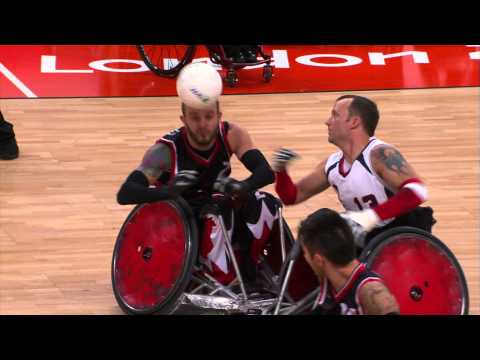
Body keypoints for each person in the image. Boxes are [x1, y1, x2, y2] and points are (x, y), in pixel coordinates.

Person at [116, 100, 279, 287]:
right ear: (183, 120)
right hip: (181, 223)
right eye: (194, 118)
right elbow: (126, 193)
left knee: (265, 201)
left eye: (209, 117)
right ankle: (221, 277)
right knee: (218, 209)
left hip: (218, 208)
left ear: (219, 116)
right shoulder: (166, 150)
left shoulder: (232, 134)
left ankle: (250, 265)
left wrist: (242, 187)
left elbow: (266, 172)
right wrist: (169, 191)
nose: (202, 124)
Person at [272, 95, 435, 250]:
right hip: (366, 236)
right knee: (316, 227)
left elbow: (417, 191)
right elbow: (291, 196)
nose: (327, 122)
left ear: (354, 122)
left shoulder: (379, 153)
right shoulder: (331, 165)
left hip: (399, 233)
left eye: (335, 115)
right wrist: (281, 171)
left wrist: (369, 217)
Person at [298, 208, 400, 315]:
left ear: (319, 260)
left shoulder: (372, 292)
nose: (305, 258)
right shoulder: (330, 281)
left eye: (305, 253)